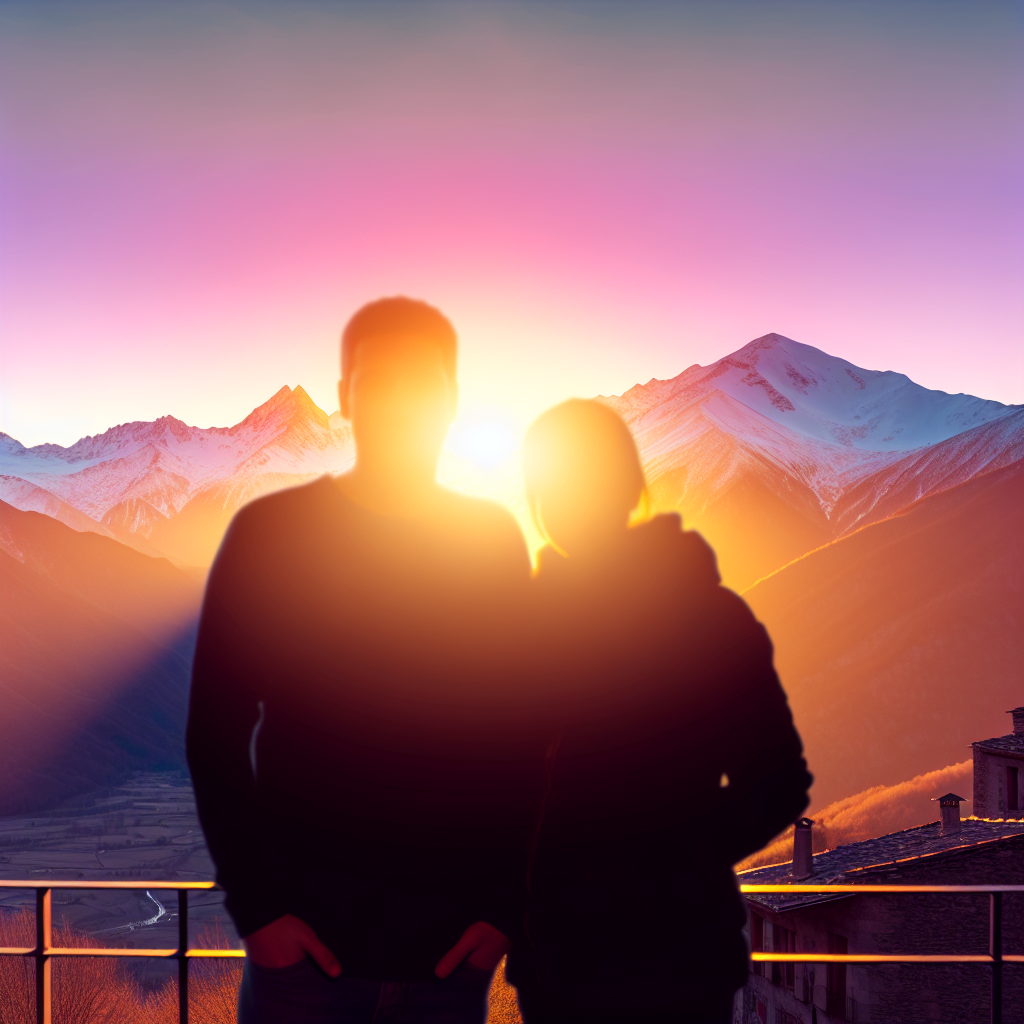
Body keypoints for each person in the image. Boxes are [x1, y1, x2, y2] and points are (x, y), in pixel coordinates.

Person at [186, 297, 541, 1024]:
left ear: (451, 402)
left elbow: (529, 737)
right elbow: (214, 732)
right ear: (345, 398)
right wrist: (260, 916)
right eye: (380, 380)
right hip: (305, 969)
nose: (401, 403)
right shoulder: (271, 536)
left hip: (445, 969)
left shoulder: (493, 543)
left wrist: (501, 910)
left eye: (422, 383)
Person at [506, 399, 812, 1024]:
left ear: (623, 489)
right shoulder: (526, 624)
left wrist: (674, 857)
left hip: (638, 954)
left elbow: (781, 782)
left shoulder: (705, 622)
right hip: (608, 952)